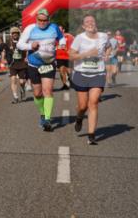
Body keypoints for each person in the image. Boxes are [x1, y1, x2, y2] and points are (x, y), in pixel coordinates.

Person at [17, 8, 66, 132]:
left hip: (49, 63)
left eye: (45, 20)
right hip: (34, 64)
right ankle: (42, 114)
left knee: (47, 90)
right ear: (36, 19)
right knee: (37, 93)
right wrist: (30, 46)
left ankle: (48, 120)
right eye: (40, 20)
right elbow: (19, 44)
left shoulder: (54, 27)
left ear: (48, 20)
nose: (42, 22)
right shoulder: (30, 29)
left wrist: (62, 44)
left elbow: (61, 38)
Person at [70, 15, 115, 145]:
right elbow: (71, 55)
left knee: (94, 102)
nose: (90, 23)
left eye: (92, 21)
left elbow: (109, 47)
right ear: (83, 26)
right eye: (87, 22)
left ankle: (91, 135)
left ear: (96, 24)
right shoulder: (79, 38)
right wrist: (86, 54)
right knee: (83, 106)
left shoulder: (103, 36)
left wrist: (106, 55)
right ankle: (79, 118)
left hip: (98, 73)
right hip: (81, 73)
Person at [4, 27, 29, 103]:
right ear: (11, 35)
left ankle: (22, 89)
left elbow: (27, 49)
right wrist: (5, 60)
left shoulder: (22, 42)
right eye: (13, 33)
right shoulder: (8, 43)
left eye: (16, 33)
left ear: (18, 34)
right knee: (13, 79)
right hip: (13, 64)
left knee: (22, 82)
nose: (15, 34)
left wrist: (27, 57)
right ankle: (15, 96)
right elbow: (5, 52)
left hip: (22, 64)